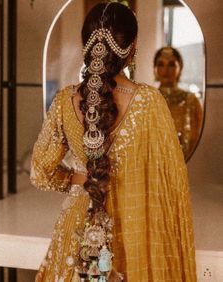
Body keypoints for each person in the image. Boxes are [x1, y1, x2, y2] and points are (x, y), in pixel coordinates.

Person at [30, 2, 197, 281]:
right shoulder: (149, 103)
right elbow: (171, 186)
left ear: (86, 47)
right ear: (132, 48)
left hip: (78, 230)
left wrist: (81, 178)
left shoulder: (63, 102)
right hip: (134, 230)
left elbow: (40, 172)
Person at [154, 46, 203, 160]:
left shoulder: (191, 101)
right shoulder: (149, 99)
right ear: (154, 68)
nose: (166, 70)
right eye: (161, 64)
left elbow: (198, 139)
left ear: (180, 68)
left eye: (171, 64)